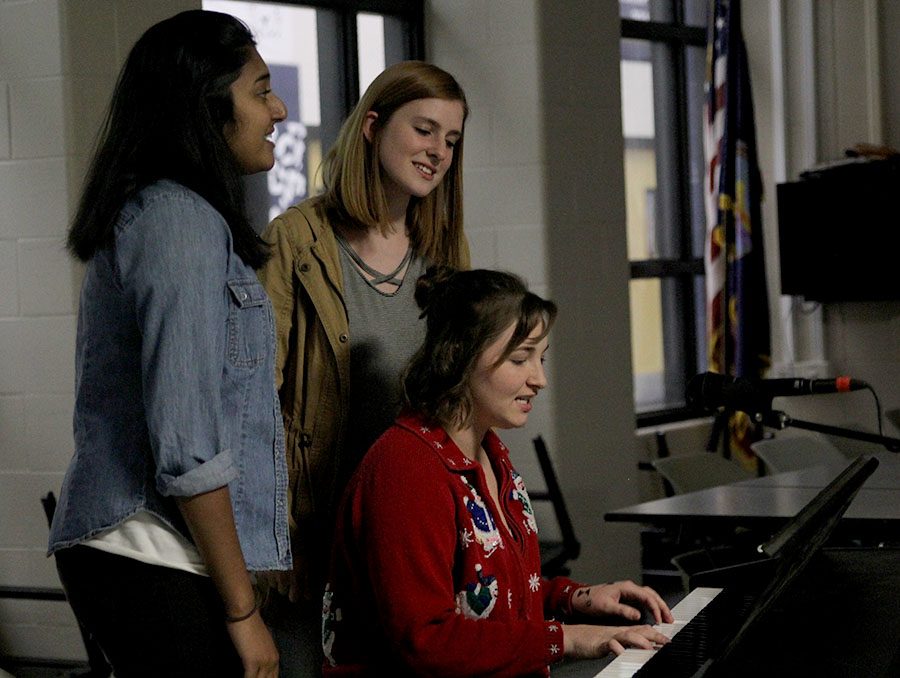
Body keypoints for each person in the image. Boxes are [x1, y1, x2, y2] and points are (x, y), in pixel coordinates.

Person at [47, 10, 291, 677]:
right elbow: (186, 443)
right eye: (261, 90)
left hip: (162, 553)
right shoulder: (177, 220)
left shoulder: (187, 217)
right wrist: (243, 613)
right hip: (144, 551)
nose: (279, 108)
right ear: (206, 110)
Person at [321, 266, 674, 676]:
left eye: (540, 358)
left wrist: (579, 599)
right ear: (460, 355)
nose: (539, 378)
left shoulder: (490, 451)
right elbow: (425, 639)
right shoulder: (406, 468)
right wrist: (569, 637)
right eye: (520, 358)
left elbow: (489, 597)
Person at [257, 61, 469, 674]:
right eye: (425, 130)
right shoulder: (295, 240)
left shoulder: (443, 251)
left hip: (412, 542)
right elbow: (255, 404)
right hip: (315, 542)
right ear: (373, 126)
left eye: (451, 141)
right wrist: (279, 538)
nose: (438, 153)